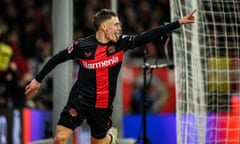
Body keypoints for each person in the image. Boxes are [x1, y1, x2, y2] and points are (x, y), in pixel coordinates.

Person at [25, 8, 196, 144]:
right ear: (104, 27)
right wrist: (37, 80)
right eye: (116, 24)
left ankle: (110, 139)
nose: (119, 28)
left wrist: (178, 23)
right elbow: (57, 58)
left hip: (103, 105)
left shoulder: (121, 43)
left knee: (98, 142)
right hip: (80, 99)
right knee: (60, 138)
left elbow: (147, 36)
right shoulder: (83, 46)